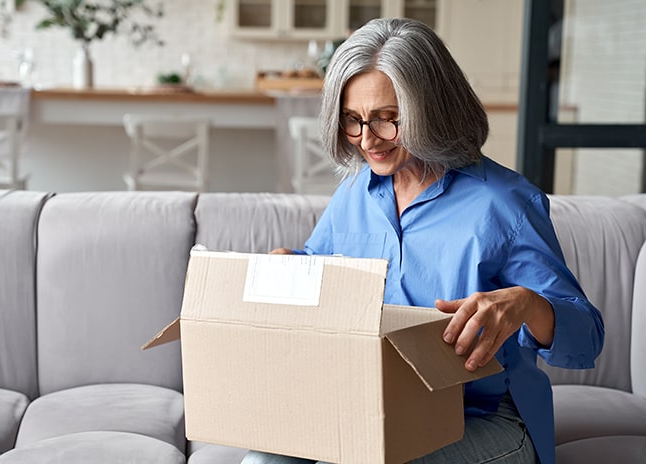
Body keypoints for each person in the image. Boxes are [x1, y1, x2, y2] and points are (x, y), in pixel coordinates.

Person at [243, 18, 604, 464]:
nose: (368, 140)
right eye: (353, 122)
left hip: (485, 417)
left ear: (432, 109)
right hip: (376, 405)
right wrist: (291, 265)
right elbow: (323, 269)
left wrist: (528, 304)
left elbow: (587, 338)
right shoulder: (356, 192)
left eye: (387, 120)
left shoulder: (505, 203)